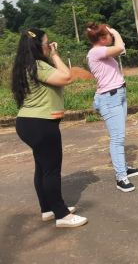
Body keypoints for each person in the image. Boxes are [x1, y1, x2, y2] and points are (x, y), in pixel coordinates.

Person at [11, 29, 88, 228]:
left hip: (29, 122)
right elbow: (67, 77)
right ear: (39, 47)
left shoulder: (25, 65)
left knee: (43, 168)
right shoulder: (38, 66)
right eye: (47, 44)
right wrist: (54, 55)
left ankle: (47, 209)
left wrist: (50, 53)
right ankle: (61, 214)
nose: (49, 46)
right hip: (41, 124)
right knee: (51, 170)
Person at [86, 23, 138, 192]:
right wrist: (115, 32)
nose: (111, 36)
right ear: (103, 38)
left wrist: (112, 33)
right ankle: (120, 177)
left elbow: (119, 50)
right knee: (117, 138)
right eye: (108, 35)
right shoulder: (96, 51)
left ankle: (124, 168)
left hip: (117, 95)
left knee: (118, 135)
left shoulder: (102, 52)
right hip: (110, 99)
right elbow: (120, 47)